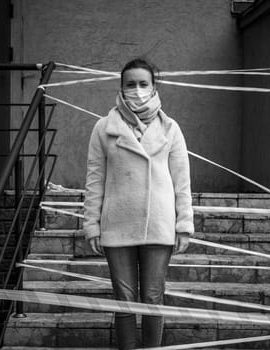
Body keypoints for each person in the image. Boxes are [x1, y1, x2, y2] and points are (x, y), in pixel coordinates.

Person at [83, 58, 194, 350]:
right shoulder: (103, 128)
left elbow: (182, 182)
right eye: (130, 84)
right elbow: (94, 180)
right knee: (124, 300)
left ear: (154, 87)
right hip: (117, 226)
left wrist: (184, 225)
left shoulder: (171, 128)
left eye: (143, 84)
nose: (137, 90)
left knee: (154, 297)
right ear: (121, 87)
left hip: (158, 224)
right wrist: (91, 225)